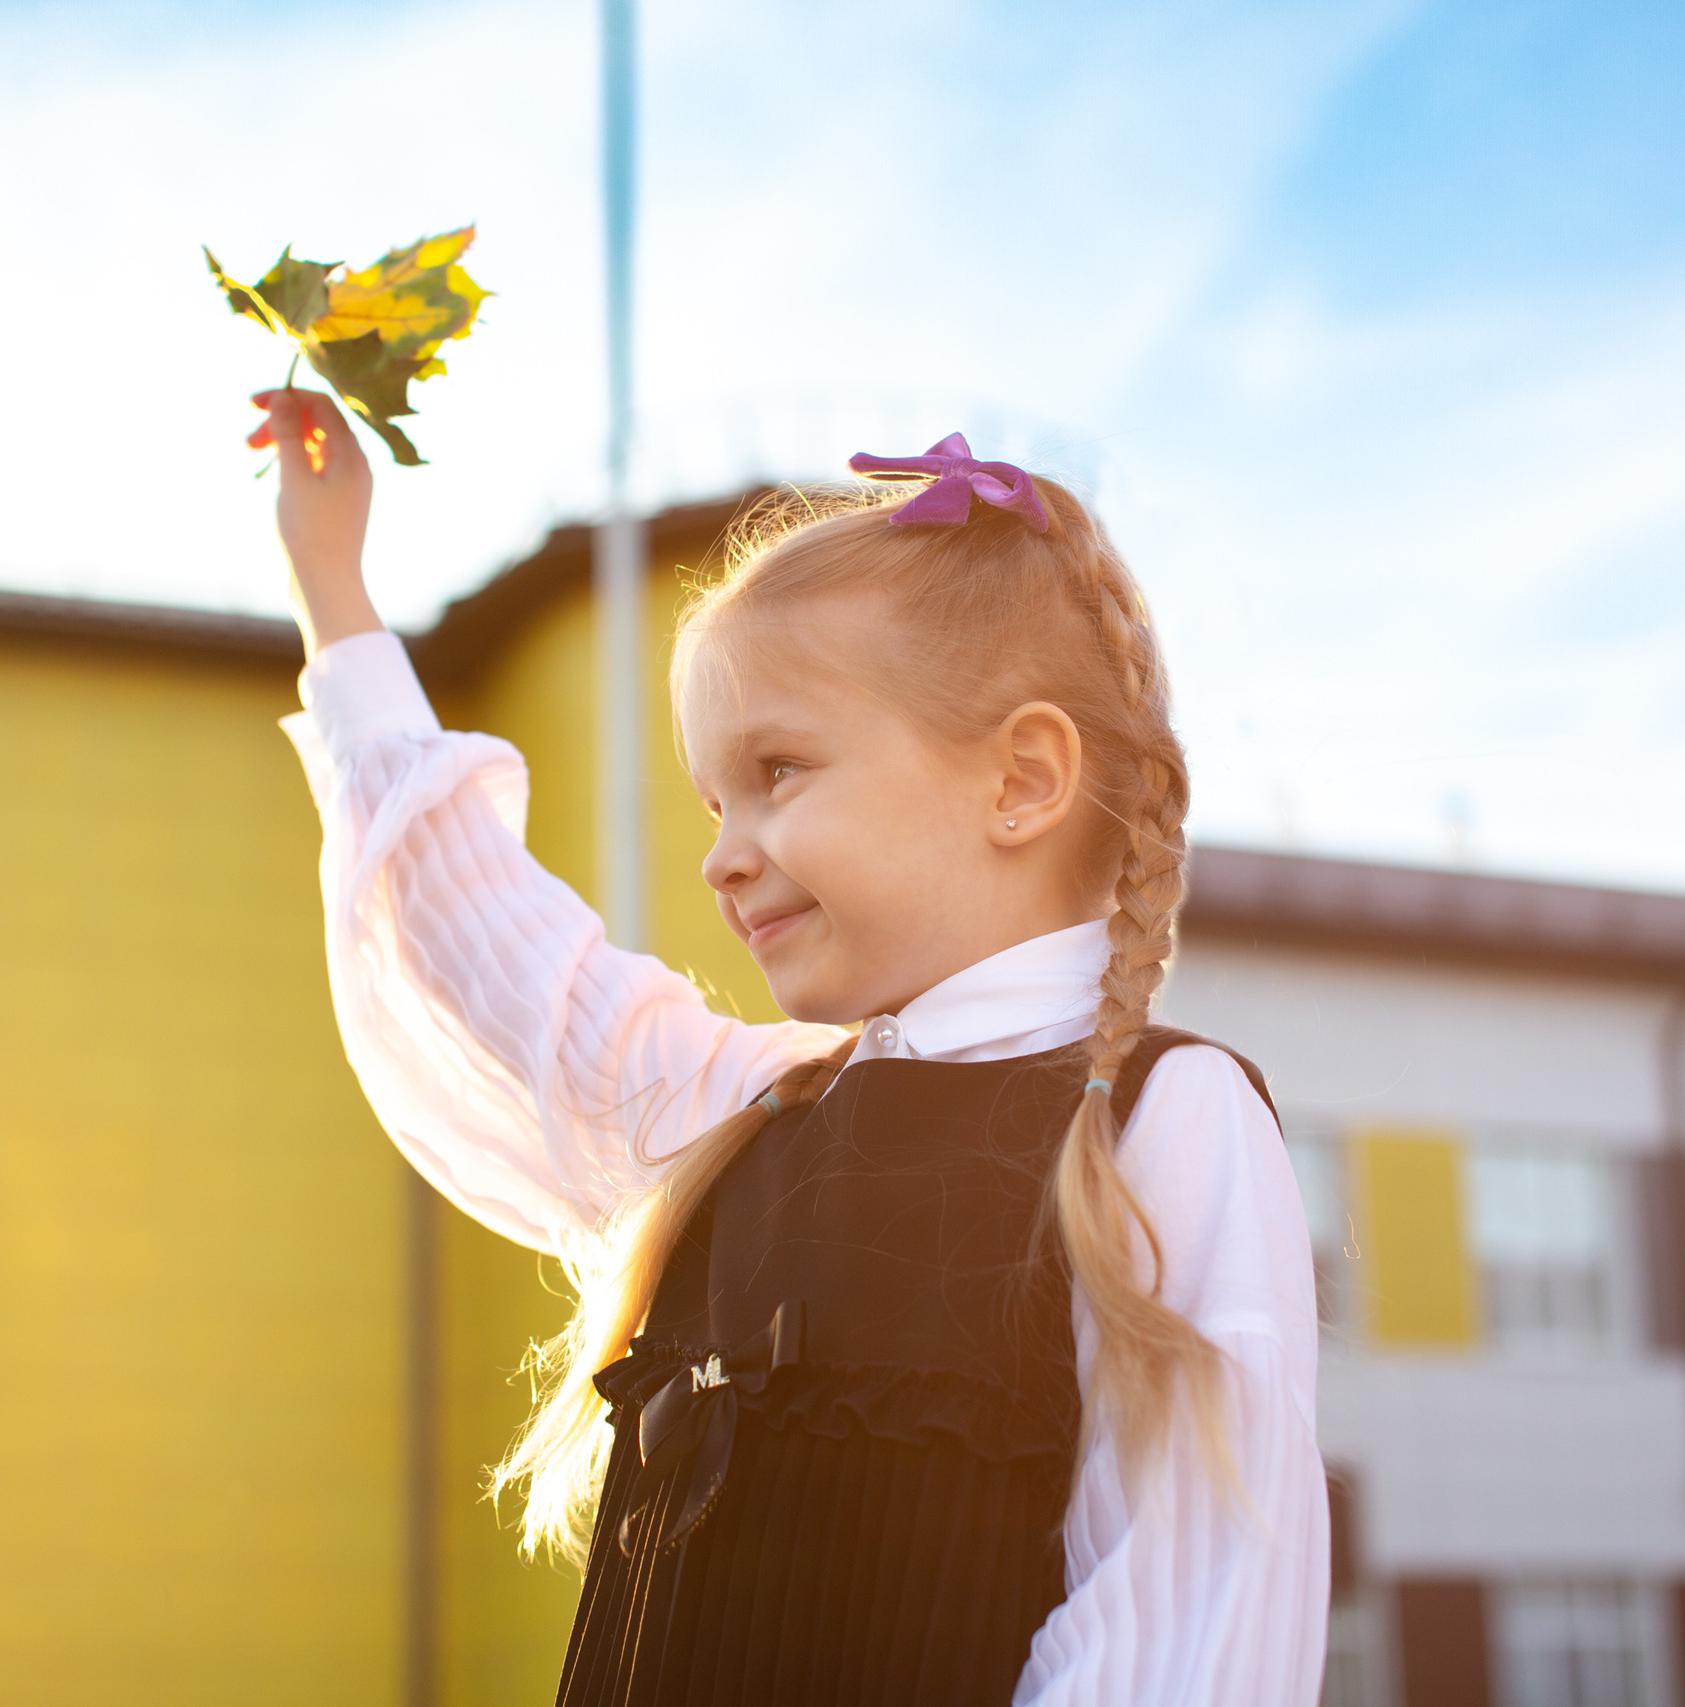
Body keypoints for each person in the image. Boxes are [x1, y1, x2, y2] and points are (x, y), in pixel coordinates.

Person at [253, 389, 1328, 1704]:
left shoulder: (1163, 1120)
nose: (719, 855)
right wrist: (331, 582)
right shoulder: (750, 1112)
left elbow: (1185, 1630)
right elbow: (497, 960)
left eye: (779, 773)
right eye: (712, 798)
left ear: (1022, 780)